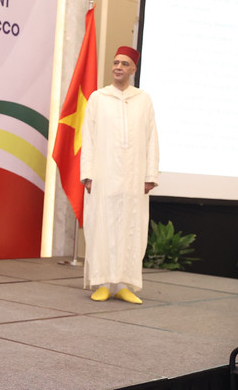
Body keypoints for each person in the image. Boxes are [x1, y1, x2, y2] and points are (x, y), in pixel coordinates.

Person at [80, 45, 159, 304]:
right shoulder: (98, 98)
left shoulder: (143, 99)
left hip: (134, 177)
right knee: (102, 226)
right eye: (115, 63)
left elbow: (151, 138)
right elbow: (88, 138)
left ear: (133, 69)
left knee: (131, 228)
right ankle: (103, 283)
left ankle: (124, 285)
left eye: (124, 64)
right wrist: (88, 173)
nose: (118, 67)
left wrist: (150, 175)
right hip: (103, 176)